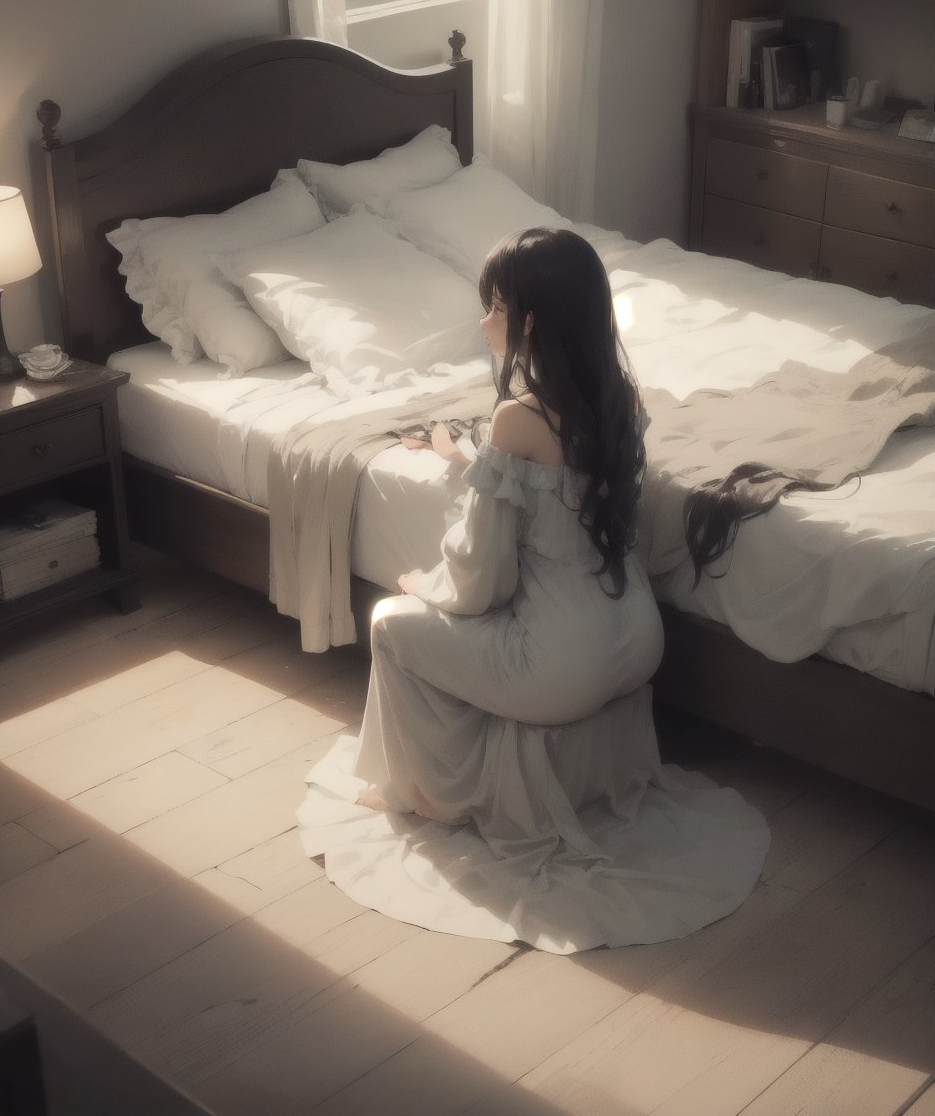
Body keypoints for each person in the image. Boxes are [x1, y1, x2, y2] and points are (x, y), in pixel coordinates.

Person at [297, 227, 769, 954]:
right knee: (458, 611)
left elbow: (484, 578)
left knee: (392, 622)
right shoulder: (618, 397)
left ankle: (417, 794)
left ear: (532, 322)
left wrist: (426, 584)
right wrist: (466, 461)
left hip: (560, 666)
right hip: (635, 636)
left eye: (493, 307)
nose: (484, 322)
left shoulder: (517, 418)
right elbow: (556, 505)